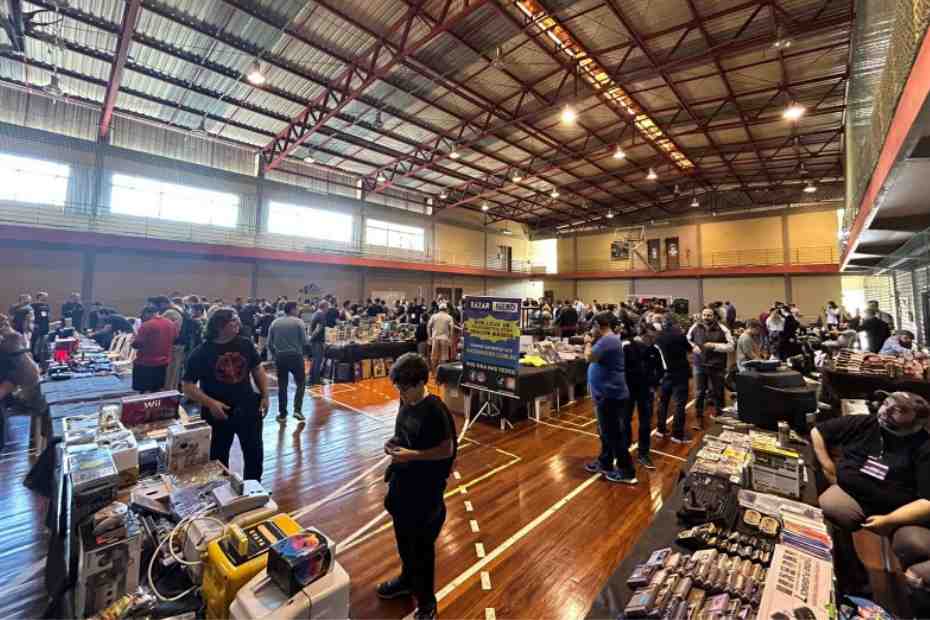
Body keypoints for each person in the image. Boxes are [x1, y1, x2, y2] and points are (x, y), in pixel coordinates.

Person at [812, 391, 930, 596]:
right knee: (827, 507)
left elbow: (927, 502)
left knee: (912, 543)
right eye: (887, 402)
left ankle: (908, 595)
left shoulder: (925, 447)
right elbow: (818, 431)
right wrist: (827, 466)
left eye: (898, 410)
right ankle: (849, 571)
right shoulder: (867, 423)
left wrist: (889, 520)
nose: (886, 410)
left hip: (898, 511)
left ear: (918, 421)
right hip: (854, 495)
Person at [377, 353, 456, 620]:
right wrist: (393, 442)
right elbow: (403, 433)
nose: (401, 394)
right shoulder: (406, 401)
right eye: (398, 389)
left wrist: (413, 455)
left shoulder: (436, 410)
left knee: (421, 549)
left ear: (421, 383)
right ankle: (407, 580)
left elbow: (446, 450)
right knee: (403, 540)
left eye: (405, 389)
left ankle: (426, 602)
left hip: (426, 491)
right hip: (403, 484)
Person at [182, 308, 269, 481]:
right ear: (219, 326)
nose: (238, 323)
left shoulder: (245, 344)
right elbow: (187, 386)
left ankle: (254, 488)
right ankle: (221, 489)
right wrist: (211, 403)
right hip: (218, 412)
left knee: (254, 453)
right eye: (233, 320)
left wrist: (265, 395)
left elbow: (257, 369)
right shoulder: (201, 352)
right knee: (218, 457)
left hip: (248, 407)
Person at [584, 312, 636, 484]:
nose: (591, 330)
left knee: (613, 435)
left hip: (609, 395)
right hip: (606, 394)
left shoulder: (607, 340)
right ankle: (605, 462)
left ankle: (626, 472)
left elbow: (589, 357)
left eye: (593, 326)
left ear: (598, 326)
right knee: (606, 433)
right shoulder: (609, 340)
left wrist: (587, 342)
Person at [623, 327, 664, 470]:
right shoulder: (626, 347)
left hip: (646, 391)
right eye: (651, 337)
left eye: (654, 338)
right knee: (625, 420)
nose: (653, 340)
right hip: (628, 390)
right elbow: (619, 368)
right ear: (643, 335)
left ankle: (643, 453)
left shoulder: (655, 349)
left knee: (645, 423)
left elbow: (661, 370)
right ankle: (625, 447)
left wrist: (654, 385)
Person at [687, 307, 734, 428]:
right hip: (699, 364)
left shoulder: (723, 329)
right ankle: (698, 418)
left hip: (716, 365)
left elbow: (731, 346)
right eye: (704, 315)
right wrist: (693, 347)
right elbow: (687, 340)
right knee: (699, 392)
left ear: (714, 316)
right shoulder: (695, 327)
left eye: (709, 315)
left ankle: (721, 415)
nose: (706, 317)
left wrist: (714, 345)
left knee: (718, 392)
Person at [268, 301, 308, 422]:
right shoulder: (299, 322)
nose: (298, 311)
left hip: (280, 357)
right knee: (301, 383)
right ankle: (297, 410)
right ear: (292, 309)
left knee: (282, 386)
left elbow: (269, 344)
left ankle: (282, 414)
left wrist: (276, 355)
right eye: (297, 308)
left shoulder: (275, 322)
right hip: (296, 357)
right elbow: (305, 341)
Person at [656, 317, 692, 444]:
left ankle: (660, 429)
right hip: (680, 373)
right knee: (679, 404)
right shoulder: (679, 335)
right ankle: (677, 434)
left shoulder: (658, 336)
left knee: (663, 402)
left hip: (665, 373)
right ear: (675, 324)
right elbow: (689, 349)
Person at [131, 306, 178, 393]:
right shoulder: (170, 323)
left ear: (147, 314)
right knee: (158, 390)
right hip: (164, 363)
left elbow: (137, 344)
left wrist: (132, 341)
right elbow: (175, 339)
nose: (141, 318)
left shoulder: (146, 325)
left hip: (146, 363)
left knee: (144, 392)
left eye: (142, 316)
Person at [427, 304, 454, 372]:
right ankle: (441, 374)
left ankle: (433, 373)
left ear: (439, 309)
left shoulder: (434, 316)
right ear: (446, 309)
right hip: (444, 338)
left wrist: (430, 337)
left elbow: (428, 326)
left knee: (434, 357)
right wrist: (450, 338)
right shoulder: (449, 317)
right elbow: (452, 328)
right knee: (443, 357)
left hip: (435, 338)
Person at [308, 301, 328, 387]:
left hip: (315, 340)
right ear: (325, 307)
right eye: (327, 307)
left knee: (315, 359)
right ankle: (316, 379)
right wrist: (312, 338)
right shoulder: (321, 315)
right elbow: (318, 329)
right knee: (318, 360)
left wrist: (310, 337)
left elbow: (311, 328)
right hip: (318, 341)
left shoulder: (316, 313)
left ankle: (311, 377)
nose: (328, 309)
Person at [30, 292, 51, 360]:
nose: (46, 297)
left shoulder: (47, 305)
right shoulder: (33, 305)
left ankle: (41, 355)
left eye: (46, 296)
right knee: (35, 341)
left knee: (43, 341)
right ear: (39, 296)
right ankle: (33, 355)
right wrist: (34, 324)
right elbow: (31, 316)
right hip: (37, 326)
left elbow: (47, 315)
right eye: (44, 296)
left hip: (45, 326)